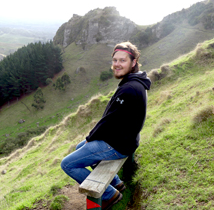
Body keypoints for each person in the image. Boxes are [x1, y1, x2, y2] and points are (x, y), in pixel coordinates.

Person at [61, 41, 151, 210]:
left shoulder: (130, 88)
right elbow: (114, 118)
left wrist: (91, 138)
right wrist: (89, 140)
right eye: (115, 60)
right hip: (126, 138)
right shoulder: (137, 81)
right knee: (79, 147)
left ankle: (109, 194)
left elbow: (108, 120)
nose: (117, 64)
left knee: (67, 164)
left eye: (122, 60)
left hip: (118, 144)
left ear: (133, 62)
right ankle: (117, 183)